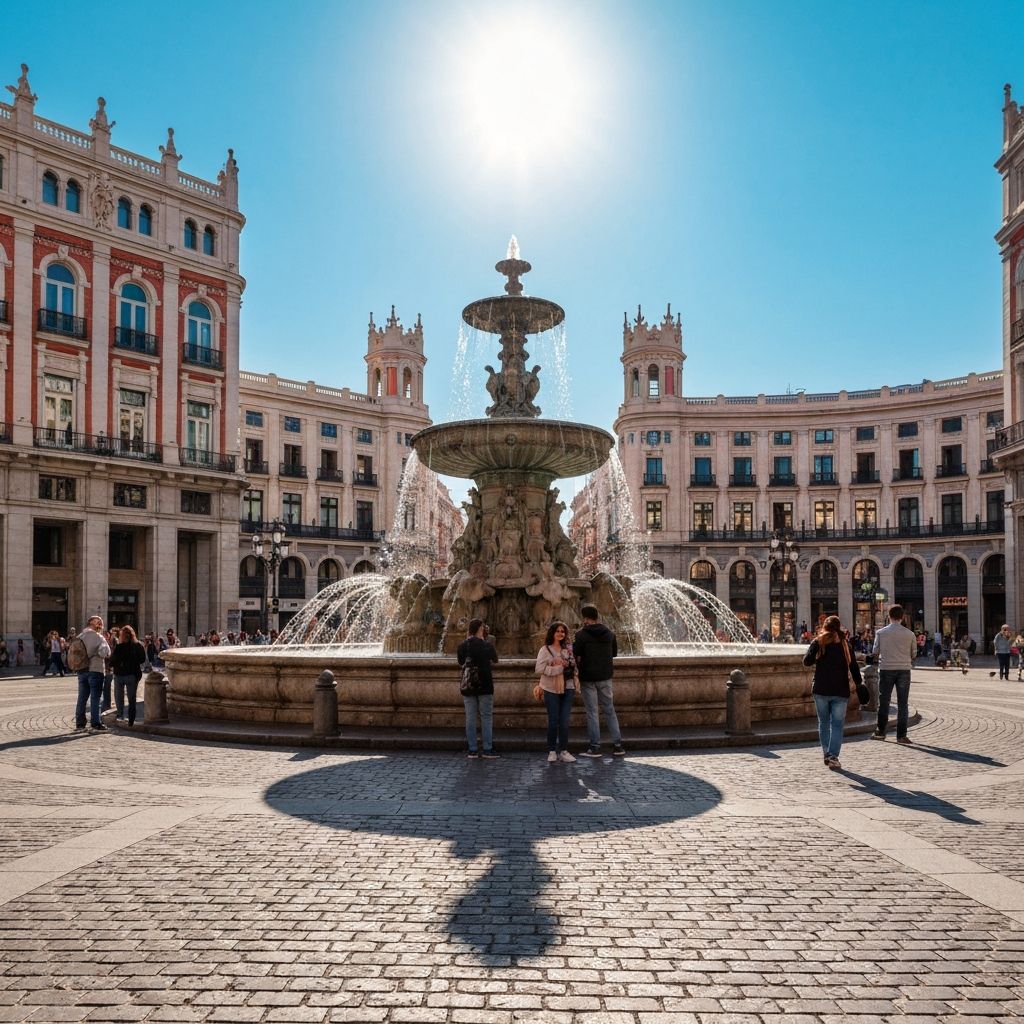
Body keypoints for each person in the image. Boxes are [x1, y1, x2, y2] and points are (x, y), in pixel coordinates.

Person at [802, 615, 861, 770]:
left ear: (824, 627)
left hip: (821, 689)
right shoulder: (845, 644)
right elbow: (853, 667)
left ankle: (826, 753)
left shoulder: (818, 642)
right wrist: (860, 684)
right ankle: (833, 756)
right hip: (840, 690)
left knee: (824, 723)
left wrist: (817, 653)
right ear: (839, 627)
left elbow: (806, 662)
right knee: (837, 724)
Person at [573, 604, 624, 758]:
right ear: (597, 616)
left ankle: (595, 747)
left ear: (586, 618)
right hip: (605, 676)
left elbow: (576, 654)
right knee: (610, 710)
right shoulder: (609, 633)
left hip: (588, 677)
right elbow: (614, 654)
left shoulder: (581, 635)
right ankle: (618, 746)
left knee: (592, 712)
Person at [872, 604, 918, 744]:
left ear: (889, 617)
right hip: (904, 669)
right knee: (903, 703)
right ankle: (901, 735)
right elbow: (914, 653)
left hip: (886, 668)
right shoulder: (910, 634)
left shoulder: (881, 633)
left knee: (884, 701)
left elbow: (875, 651)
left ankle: (880, 732)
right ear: (902, 617)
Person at [535, 621, 578, 763]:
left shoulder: (569, 650)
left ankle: (564, 751)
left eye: (563, 631)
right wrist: (557, 668)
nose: (561, 633)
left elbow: (574, 667)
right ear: (552, 633)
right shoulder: (545, 650)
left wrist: (569, 664)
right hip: (550, 688)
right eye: (558, 631)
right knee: (553, 721)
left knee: (564, 721)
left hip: (568, 687)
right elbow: (539, 669)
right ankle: (552, 750)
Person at [456, 618, 499, 759]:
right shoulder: (487, 645)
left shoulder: (463, 646)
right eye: (483, 627)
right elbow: (495, 660)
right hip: (485, 685)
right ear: (480, 628)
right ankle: (487, 749)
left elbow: (461, 662)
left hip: (468, 685)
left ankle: (472, 750)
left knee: (470, 718)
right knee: (486, 717)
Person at [75, 616, 111, 732]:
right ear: (92, 623)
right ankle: (95, 723)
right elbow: (106, 652)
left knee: (82, 698)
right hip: (96, 669)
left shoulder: (80, 636)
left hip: (82, 670)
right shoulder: (99, 637)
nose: (100, 624)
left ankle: (80, 724)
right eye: (98, 622)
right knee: (95, 698)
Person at [111, 625, 147, 726]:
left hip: (119, 675)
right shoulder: (138, 646)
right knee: (132, 698)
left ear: (122, 636)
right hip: (132, 675)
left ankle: (120, 715)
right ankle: (131, 719)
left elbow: (112, 661)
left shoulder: (119, 647)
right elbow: (142, 659)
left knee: (119, 697)